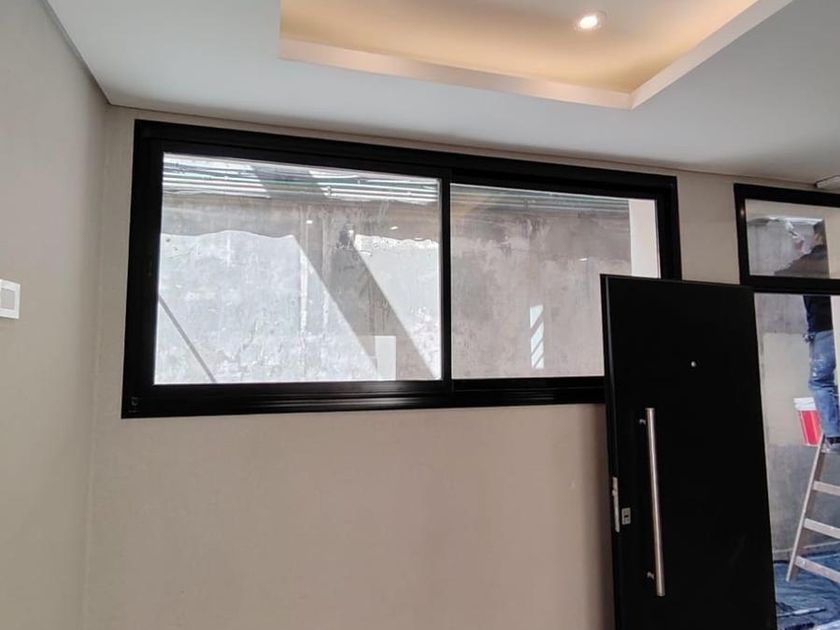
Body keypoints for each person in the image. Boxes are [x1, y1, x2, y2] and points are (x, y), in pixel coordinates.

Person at [780, 221, 840, 452]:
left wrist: (801, 258)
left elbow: (781, 275)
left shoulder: (811, 261)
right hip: (831, 327)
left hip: (824, 329)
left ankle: (835, 437)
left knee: (820, 381)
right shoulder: (831, 259)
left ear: (818, 237)